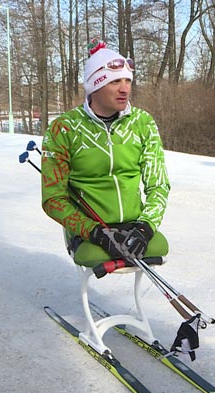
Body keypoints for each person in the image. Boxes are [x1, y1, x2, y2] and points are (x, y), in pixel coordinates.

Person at [40, 39, 170, 267]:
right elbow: (53, 198)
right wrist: (94, 232)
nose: (125, 88)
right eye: (115, 81)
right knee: (91, 255)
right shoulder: (64, 128)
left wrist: (145, 227)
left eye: (128, 81)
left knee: (160, 245)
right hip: (91, 229)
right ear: (95, 85)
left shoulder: (142, 122)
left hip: (134, 225)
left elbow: (158, 184)